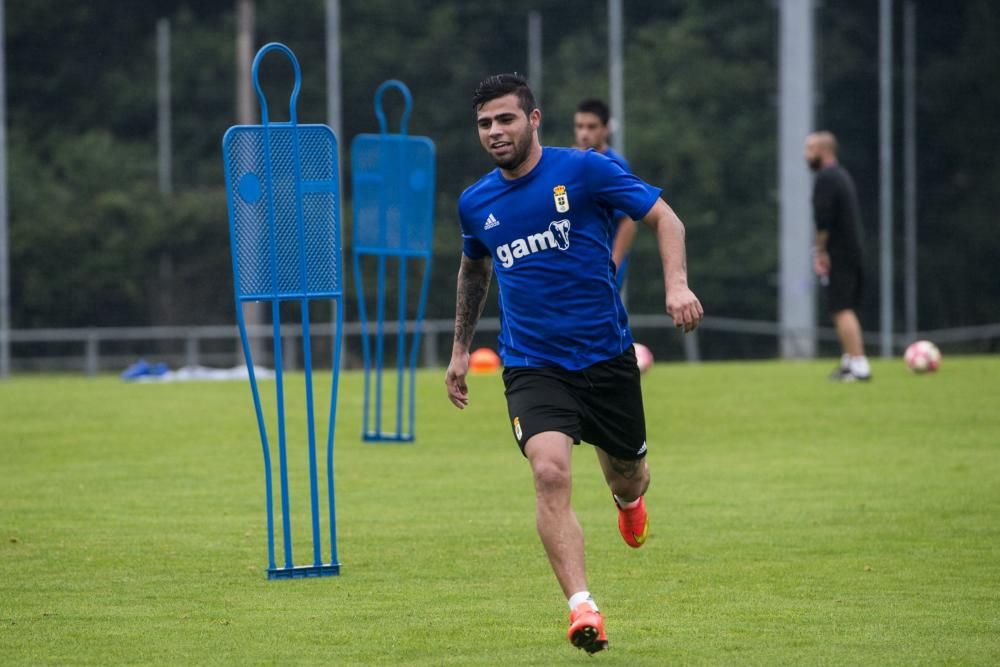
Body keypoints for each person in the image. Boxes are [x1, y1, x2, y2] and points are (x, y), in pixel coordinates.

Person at [444, 73, 703, 654]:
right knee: (549, 473)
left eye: (506, 119)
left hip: (606, 359)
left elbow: (667, 218)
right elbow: (474, 269)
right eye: (485, 123)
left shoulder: (584, 170)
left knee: (628, 473)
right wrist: (461, 349)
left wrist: (677, 286)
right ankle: (582, 608)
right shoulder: (476, 202)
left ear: (533, 120)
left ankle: (629, 502)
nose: (495, 132)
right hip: (532, 365)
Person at [804, 131, 871, 382]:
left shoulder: (826, 178)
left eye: (809, 149)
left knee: (841, 308)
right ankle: (849, 359)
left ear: (823, 151)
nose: (805, 155)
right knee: (843, 308)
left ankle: (858, 364)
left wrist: (820, 251)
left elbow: (823, 220)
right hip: (851, 252)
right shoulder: (841, 175)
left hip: (839, 254)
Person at [573, 97, 637, 291]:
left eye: (592, 127)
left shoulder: (615, 166)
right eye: (579, 126)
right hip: (575, 264)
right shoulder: (569, 161)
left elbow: (628, 220)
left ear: (606, 128)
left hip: (601, 265)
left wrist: (614, 265)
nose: (584, 133)